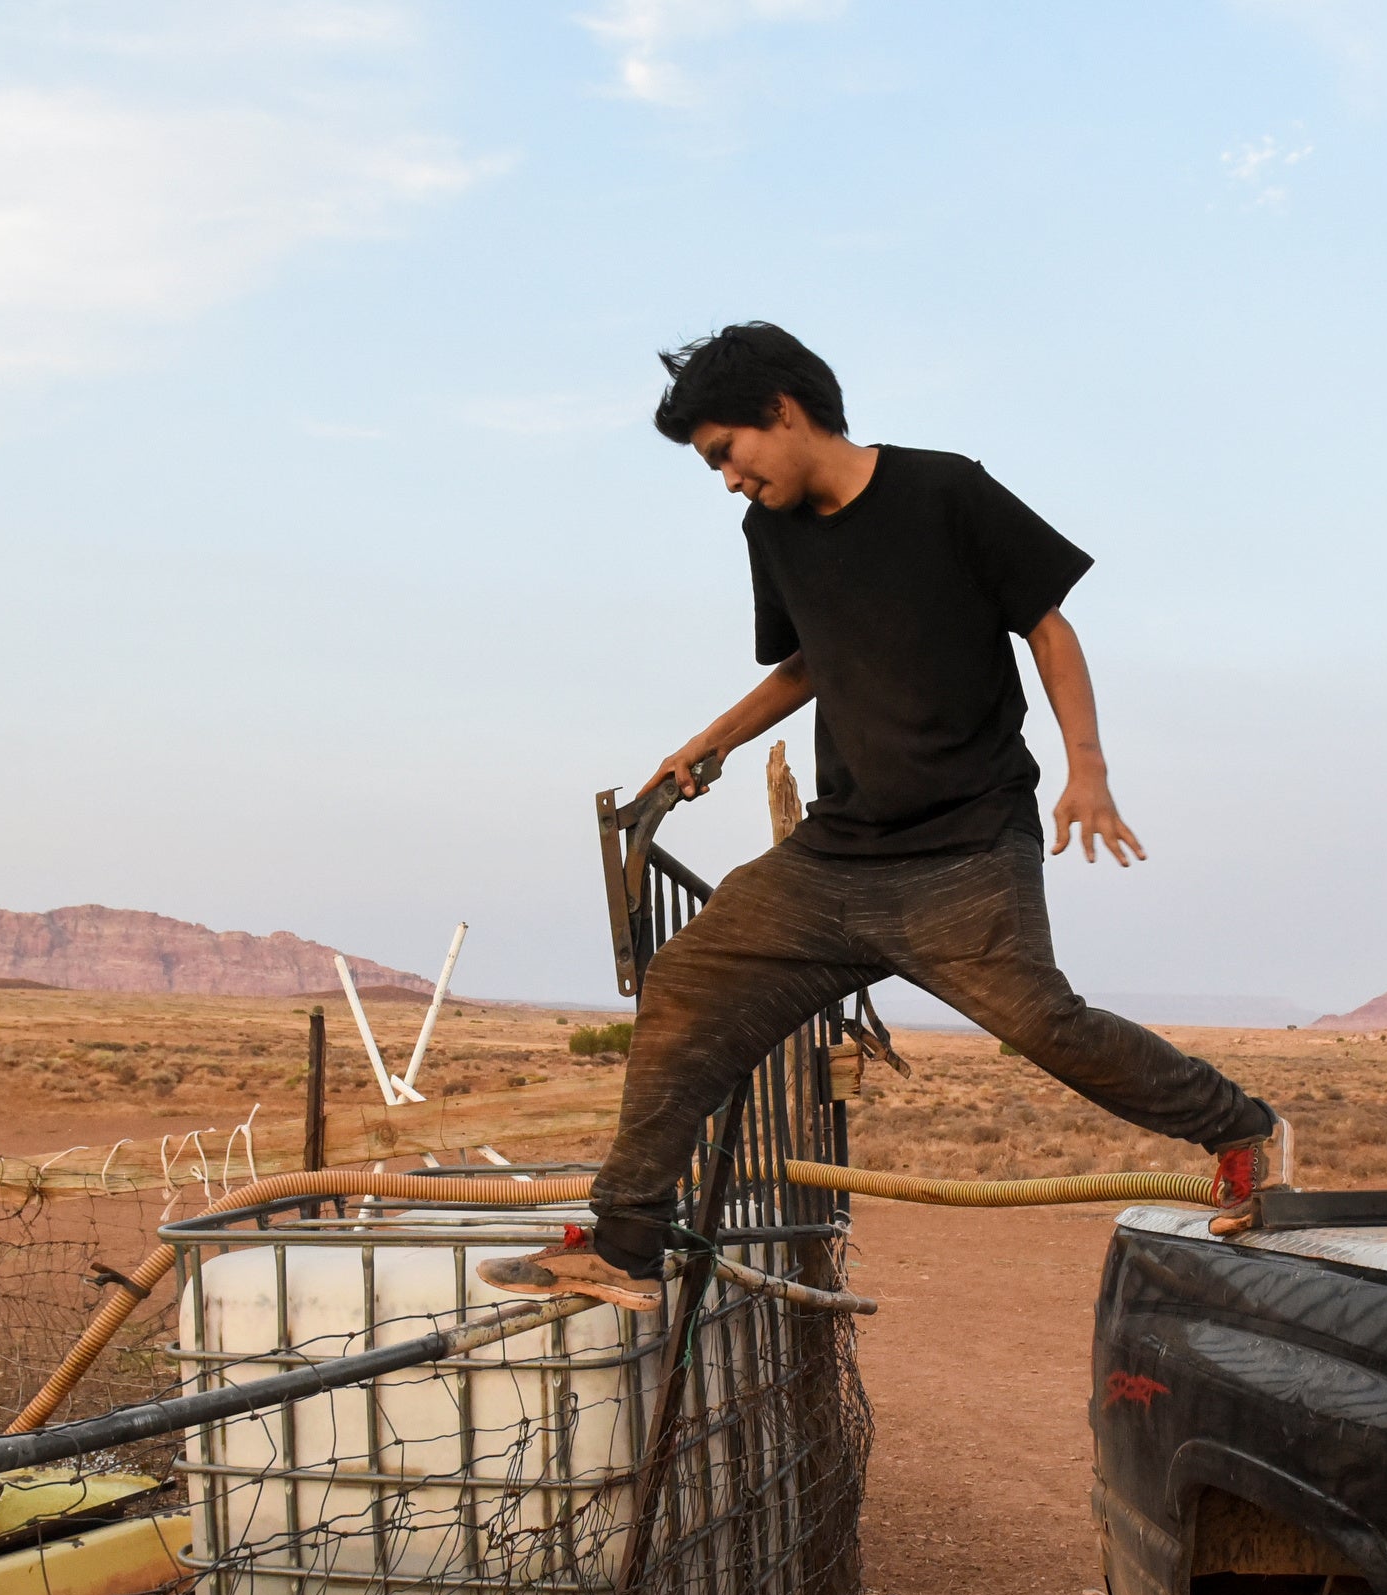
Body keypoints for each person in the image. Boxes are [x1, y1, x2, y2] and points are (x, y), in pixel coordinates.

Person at [483, 322, 1281, 1310]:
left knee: (1047, 1023)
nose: (727, 480)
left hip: (965, 848)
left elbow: (1046, 622)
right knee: (687, 978)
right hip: (835, 856)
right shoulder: (768, 532)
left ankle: (1238, 1129)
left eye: (725, 453)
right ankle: (626, 1244)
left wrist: (1087, 772)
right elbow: (809, 660)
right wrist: (713, 739)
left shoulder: (946, 493)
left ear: (782, 412)